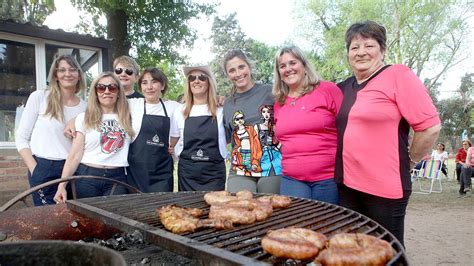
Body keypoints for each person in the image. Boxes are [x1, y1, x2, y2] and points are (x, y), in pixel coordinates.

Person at [335, 21, 441, 246]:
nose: (361, 52)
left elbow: (430, 127)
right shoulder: (344, 87)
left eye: (369, 45)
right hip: (347, 188)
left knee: (387, 252)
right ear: (348, 54)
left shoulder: (398, 75)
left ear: (382, 50)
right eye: (354, 47)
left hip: (385, 189)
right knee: (353, 252)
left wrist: (411, 161)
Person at [273, 45, 342, 204]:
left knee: (328, 226)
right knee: (297, 226)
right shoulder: (279, 103)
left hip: (328, 178)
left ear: (304, 65)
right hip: (292, 179)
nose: (288, 69)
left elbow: (348, 128)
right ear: (279, 74)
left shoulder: (327, 89)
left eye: (293, 63)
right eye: (282, 66)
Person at [16, 54, 87, 206]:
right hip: (43, 167)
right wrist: (34, 169)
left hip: (74, 169)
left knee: (72, 218)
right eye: (62, 70)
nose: (67, 74)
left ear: (79, 75)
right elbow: (21, 138)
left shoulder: (85, 108)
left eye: (72, 69)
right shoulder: (40, 97)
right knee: (47, 219)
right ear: (55, 75)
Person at [54, 72, 134, 203]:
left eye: (112, 87)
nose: (106, 91)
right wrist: (61, 186)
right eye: (101, 88)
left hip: (117, 178)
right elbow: (74, 155)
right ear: (95, 92)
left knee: (114, 219)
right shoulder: (84, 118)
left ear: (118, 91)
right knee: (88, 220)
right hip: (87, 177)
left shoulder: (130, 116)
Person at [222, 49, 282, 194]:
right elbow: (228, 137)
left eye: (241, 67)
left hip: (271, 167)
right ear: (227, 75)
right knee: (240, 207)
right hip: (241, 169)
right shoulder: (227, 103)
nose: (238, 73)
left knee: (269, 207)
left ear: (249, 66)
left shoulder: (271, 92)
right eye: (232, 70)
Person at [170, 66, 227, 191]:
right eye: (192, 78)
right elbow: (172, 141)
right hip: (187, 174)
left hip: (214, 174)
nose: (196, 81)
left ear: (209, 82)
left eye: (202, 78)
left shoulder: (222, 109)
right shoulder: (179, 111)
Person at [127, 67, 179, 193]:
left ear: (162, 85)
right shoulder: (131, 104)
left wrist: (218, 98)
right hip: (136, 173)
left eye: (154, 82)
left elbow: (197, 106)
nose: (149, 87)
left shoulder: (174, 107)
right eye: (144, 83)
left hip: (162, 173)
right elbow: (103, 104)